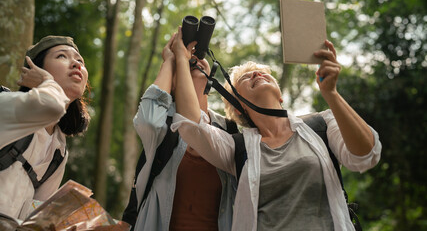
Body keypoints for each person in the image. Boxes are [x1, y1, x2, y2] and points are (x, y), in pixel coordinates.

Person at [171, 33, 382, 231]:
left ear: (280, 96)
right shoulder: (237, 148)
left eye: (263, 73)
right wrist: (181, 58)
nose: (256, 73)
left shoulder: (321, 124)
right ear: (238, 107)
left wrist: (331, 94)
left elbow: (365, 156)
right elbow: (191, 124)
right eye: (245, 79)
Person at [132, 32, 237, 231]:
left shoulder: (229, 129)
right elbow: (147, 121)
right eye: (187, 64)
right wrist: (172, 60)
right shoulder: (164, 125)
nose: (193, 61)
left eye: (200, 60)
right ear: (172, 83)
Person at [0, 36, 90, 219]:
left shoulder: (58, 151)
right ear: (36, 70)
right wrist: (46, 81)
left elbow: (34, 220)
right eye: (62, 56)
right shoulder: (8, 108)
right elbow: (51, 105)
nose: (76, 64)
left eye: (80, 60)